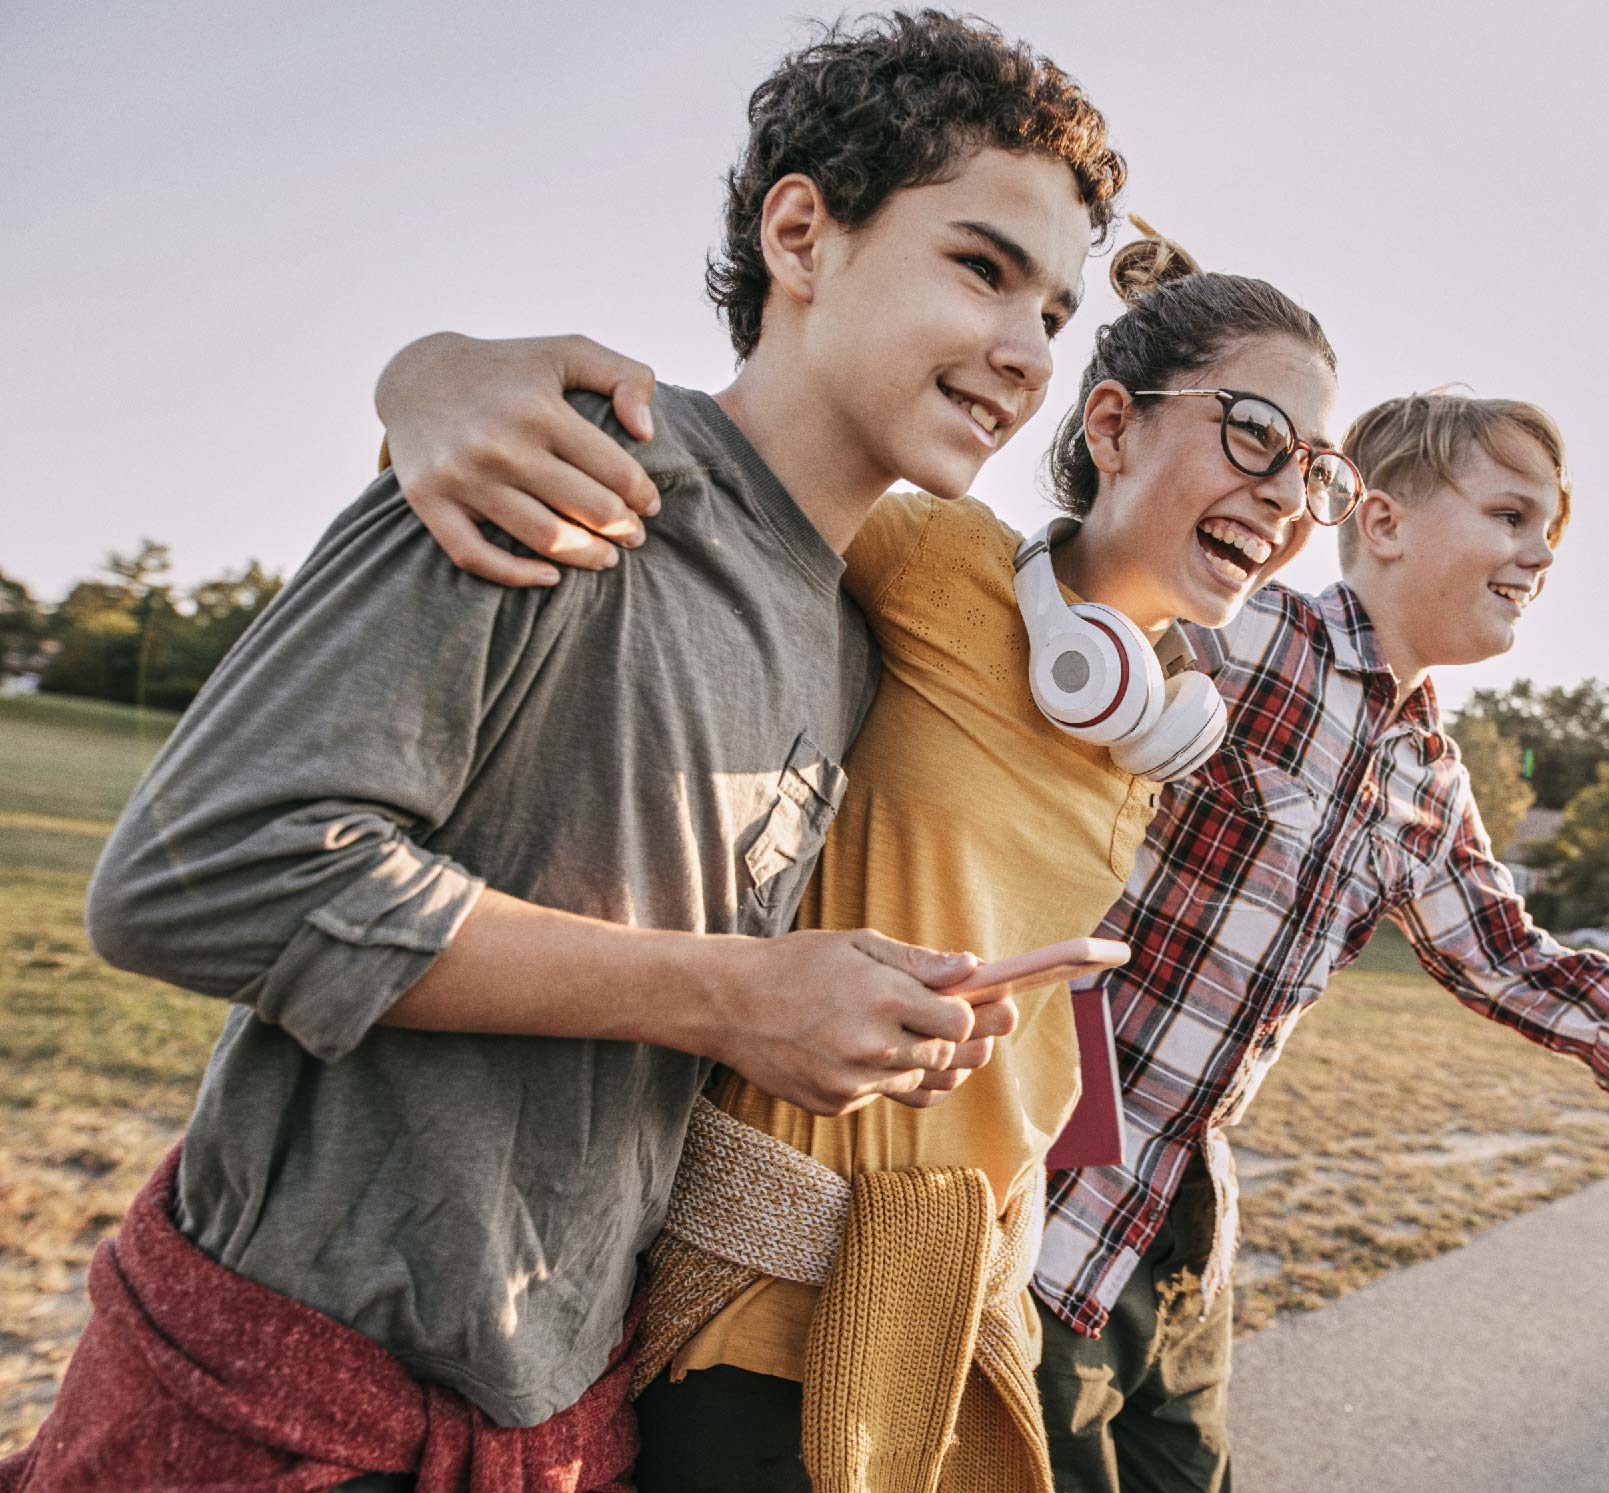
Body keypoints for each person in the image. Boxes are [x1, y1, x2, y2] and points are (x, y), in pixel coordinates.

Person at [374, 391, 1609, 1493]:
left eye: (1553, 534)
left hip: (1186, 1233)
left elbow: (1518, 961)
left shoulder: (1429, 768)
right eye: (1510, 514)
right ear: (1373, 516)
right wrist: (456, 382)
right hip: (1049, 1219)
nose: (1538, 551)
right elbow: (1010, 574)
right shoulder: (1234, 643)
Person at [1, 14, 1122, 1493]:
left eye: (1054, 308)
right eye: (981, 267)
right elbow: (195, 875)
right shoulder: (559, 468)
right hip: (284, 1397)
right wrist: (731, 996)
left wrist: (854, 1016)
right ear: (803, 232)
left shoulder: (857, 637)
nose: (1024, 351)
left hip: (568, 1416)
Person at [380, 221, 1351, 1492]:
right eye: (1253, 437)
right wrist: (431, 373)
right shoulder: (943, 561)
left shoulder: (1157, 724)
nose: (1287, 494)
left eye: (1316, 470)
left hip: (963, 1311)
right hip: (767, 1304)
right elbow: (715, 458)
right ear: (1109, 425)